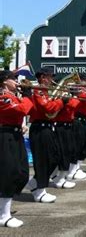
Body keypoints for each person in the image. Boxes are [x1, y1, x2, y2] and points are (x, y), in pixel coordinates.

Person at [26, 67, 66, 203]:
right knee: (43, 160)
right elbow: (48, 108)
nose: (52, 80)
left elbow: (52, 110)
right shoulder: (38, 91)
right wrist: (61, 102)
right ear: (42, 77)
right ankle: (39, 191)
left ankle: (35, 182)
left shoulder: (46, 92)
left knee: (54, 158)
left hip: (47, 128)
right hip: (40, 128)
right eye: (50, 77)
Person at [0, 70, 33, 228]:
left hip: (15, 135)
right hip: (5, 137)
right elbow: (22, 110)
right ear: (5, 81)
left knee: (22, 172)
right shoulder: (3, 96)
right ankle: (4, 215)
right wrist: (27, 96)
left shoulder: (12, 96)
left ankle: (4, 209)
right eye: (13, 79)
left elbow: (20, 111)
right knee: (9, 174)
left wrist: (20, 124)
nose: (16, 82)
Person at [68, 75, 86, 181]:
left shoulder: (82, 90)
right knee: (78, 145)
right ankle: (72, 170)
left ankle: (76, 167)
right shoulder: (77, 90)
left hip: (82, 120)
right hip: (77, 120)